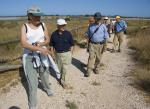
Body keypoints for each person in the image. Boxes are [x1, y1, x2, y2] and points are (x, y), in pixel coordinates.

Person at [21, 6, 54, 109]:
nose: (39, 18)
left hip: (42, 54)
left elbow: (47, 39)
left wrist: (41, 44)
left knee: (44, 74)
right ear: (29, 16)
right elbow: (24, 44)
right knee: (32, 82)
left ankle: (47, 88)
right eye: (36, 16)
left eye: (40, 16)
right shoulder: (24, 27)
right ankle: (32, 104)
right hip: (29, 57)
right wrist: (40, 49)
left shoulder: (43, 25)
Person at [50, 19, 74, 89]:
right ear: (58, 26)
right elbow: (51, 45)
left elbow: (72, 44)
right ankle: (60, 79)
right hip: (57, 54)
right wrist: (52, 54)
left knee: (65, 68)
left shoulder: (68, 33)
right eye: (62, 25)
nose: (63, 27)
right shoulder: (53, 34)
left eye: (64, 25)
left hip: (67, 54)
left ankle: (64, 82)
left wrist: (71, 53)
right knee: (59, 68)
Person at [85, 12, 109, 77]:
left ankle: (96, 68)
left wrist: (105, 46)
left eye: (99, 18)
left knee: (98, 58)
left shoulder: (103, 26)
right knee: (91, 57)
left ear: (101, 19)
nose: (98, 20)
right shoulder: (90, 26)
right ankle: (88, 71)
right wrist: (87, 43)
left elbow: (106, 36)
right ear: (95, 18)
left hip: (100, 45)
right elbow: (88, 35)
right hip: (92, 44)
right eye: (97, 18)